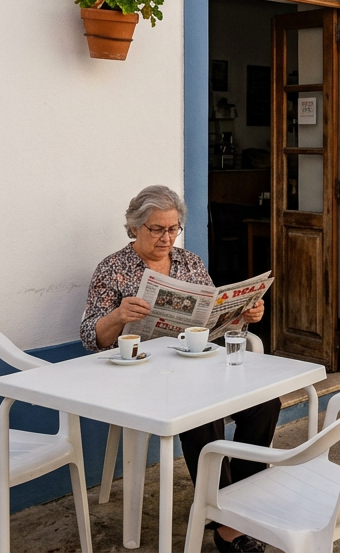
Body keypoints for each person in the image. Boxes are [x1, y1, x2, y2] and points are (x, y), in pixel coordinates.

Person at [80, 185, 272, 553]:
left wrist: (244, 315)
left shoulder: (189, 262)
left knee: (266, 403)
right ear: (134, 228)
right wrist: (119, 315)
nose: (167, 238)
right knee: (200, 416)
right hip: (141, 377)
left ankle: (243, 499)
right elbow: (91, 337)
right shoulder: (113, 269)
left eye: (173, 229)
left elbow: (213, 319)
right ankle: (227, 520)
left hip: (193, 364)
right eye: (157, 229)